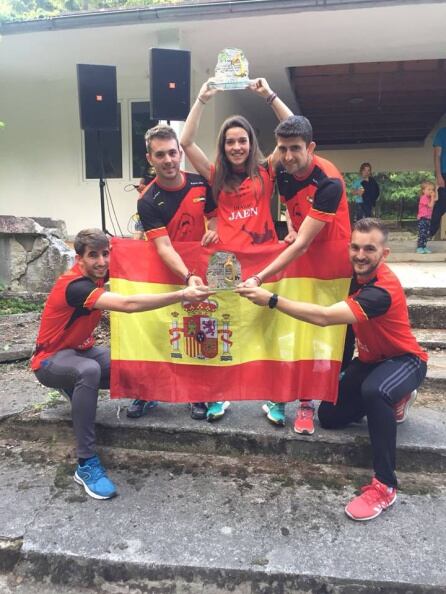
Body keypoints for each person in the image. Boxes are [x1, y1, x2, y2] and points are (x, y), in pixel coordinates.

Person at [237, 218, 427, 521]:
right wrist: (291, 237)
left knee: (376, 391)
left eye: (369, 249)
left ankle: (385, 486)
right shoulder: (350, 274)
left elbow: (325, 317)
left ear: (385, 253)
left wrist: (271, 299)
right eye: (355, 247)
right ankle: (394, 400)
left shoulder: (381, 290)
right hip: (368, 362)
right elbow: (308, 251)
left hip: (405, 361)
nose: (360, 255)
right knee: (329, 416)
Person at [31, 229, 213, 500]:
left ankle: (84, 391)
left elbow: (146, 263)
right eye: (93, 255)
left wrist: (189, 272)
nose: (102, 262)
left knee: (131, 361)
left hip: (82, 351)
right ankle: (86, 464)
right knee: (88, 372)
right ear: (78, 257)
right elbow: (127, 304)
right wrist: (181, 295)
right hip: (50, 361)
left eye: (106, 254)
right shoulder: (75, 286)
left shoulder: (101, 273)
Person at [241, 115, 351, 435]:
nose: (288, 156)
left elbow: (304, 244)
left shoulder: (328, 183)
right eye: (283, 148)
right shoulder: (285, 175)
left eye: (296, 149)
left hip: (334, 269)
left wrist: (259, 277)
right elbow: (294, 218)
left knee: (327, 338)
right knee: (294, 329)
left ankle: (310, 401)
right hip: (303, 264)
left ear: (311, 147)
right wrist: (291, 227)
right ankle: (289, 397)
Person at [134, 124, 226, 422]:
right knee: (158, 333)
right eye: (160, 155)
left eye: (173, 152)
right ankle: (147, 393)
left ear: (180, 153)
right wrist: (186, 276)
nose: (168, 160)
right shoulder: (147, 200)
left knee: (200, 333)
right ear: (150, 158)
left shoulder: (202, 184)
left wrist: (213, 230)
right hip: (166, 274)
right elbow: (162, 247)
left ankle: (197, 393)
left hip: (202, 274)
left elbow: (216, 220)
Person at [180, 77, 292, 250]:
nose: (236, 147)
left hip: (263, 258)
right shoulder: (216, 175)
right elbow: (186, 142)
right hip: (226, 260)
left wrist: (269, 95)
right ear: (223, 146)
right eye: (230, 142)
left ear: (251, 143)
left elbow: (293, 128)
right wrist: (201, 100)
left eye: (242, 141)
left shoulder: (266, 169)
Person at [431, 126, 446, 238]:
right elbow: (437, 156)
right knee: (442, 204)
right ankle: (428, 232)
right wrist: (439, 175)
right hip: (444, 173)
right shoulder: (442, 132)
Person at [416, 181, 436, 254]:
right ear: (423, 191)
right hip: (423, 219)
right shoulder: (423, 198)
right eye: (429, 189)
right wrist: (433, 197)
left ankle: (424, 247)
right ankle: (419, 247)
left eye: (432, 190)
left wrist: (432, 198)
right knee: (422, 233)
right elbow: (431, 206)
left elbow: (431, 206)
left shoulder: (429, 198)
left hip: (427, 219)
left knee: (426, 234)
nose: (431, 191)